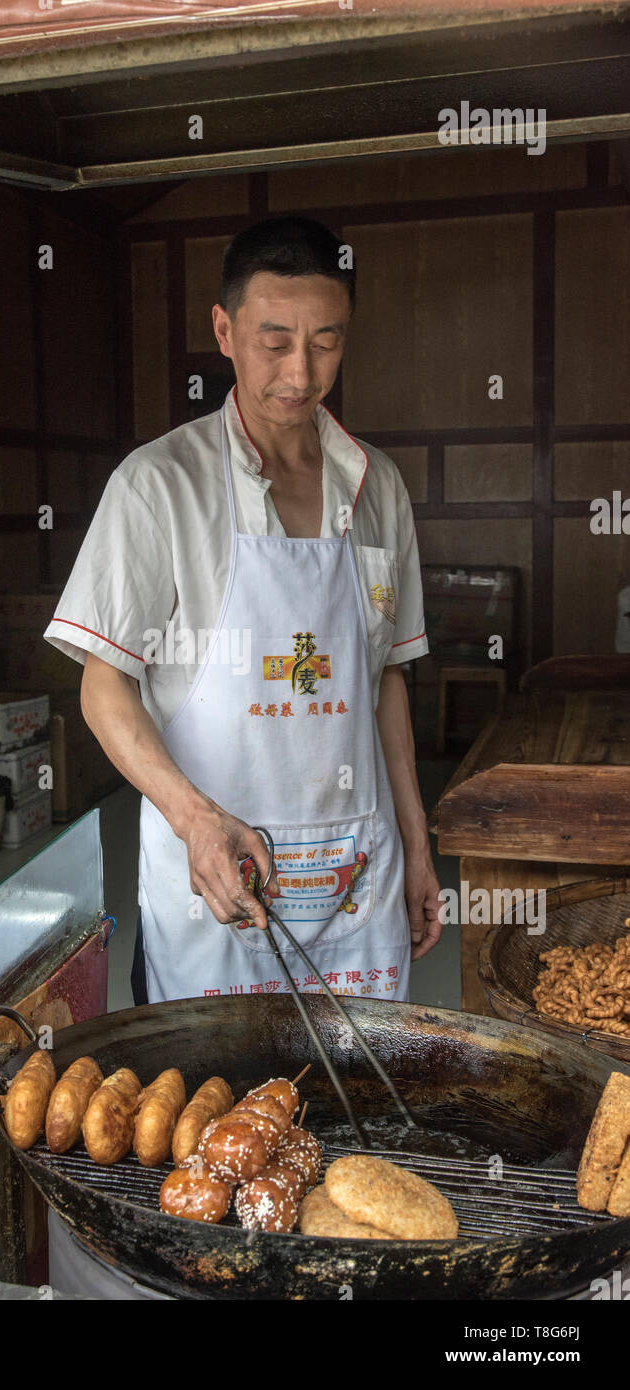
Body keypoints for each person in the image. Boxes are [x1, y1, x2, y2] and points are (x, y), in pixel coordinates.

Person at [45, 216, 442, 1005]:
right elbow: (103, 684)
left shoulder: (376, 486)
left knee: (354, 1102)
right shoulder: (158, 484)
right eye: (274, 341)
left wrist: (417, 843)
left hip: (354, 873)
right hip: (218, 882)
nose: (300, 371)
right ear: (223, 331)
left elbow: (384, 680)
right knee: (212, 1111)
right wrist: (194, 822)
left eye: (325, 341)